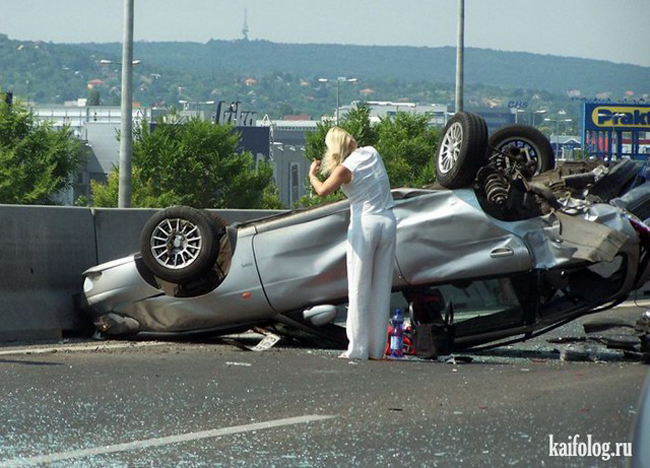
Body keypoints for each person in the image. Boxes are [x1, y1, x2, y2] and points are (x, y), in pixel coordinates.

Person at [309, 127, 397, 360]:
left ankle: (357, 348)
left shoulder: (343, 170)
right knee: (381, 287)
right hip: (388, 221)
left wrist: (312, 175)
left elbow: (322, 191)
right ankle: (377, 348)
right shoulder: (371, 152)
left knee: (359, 286)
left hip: (364, 224)